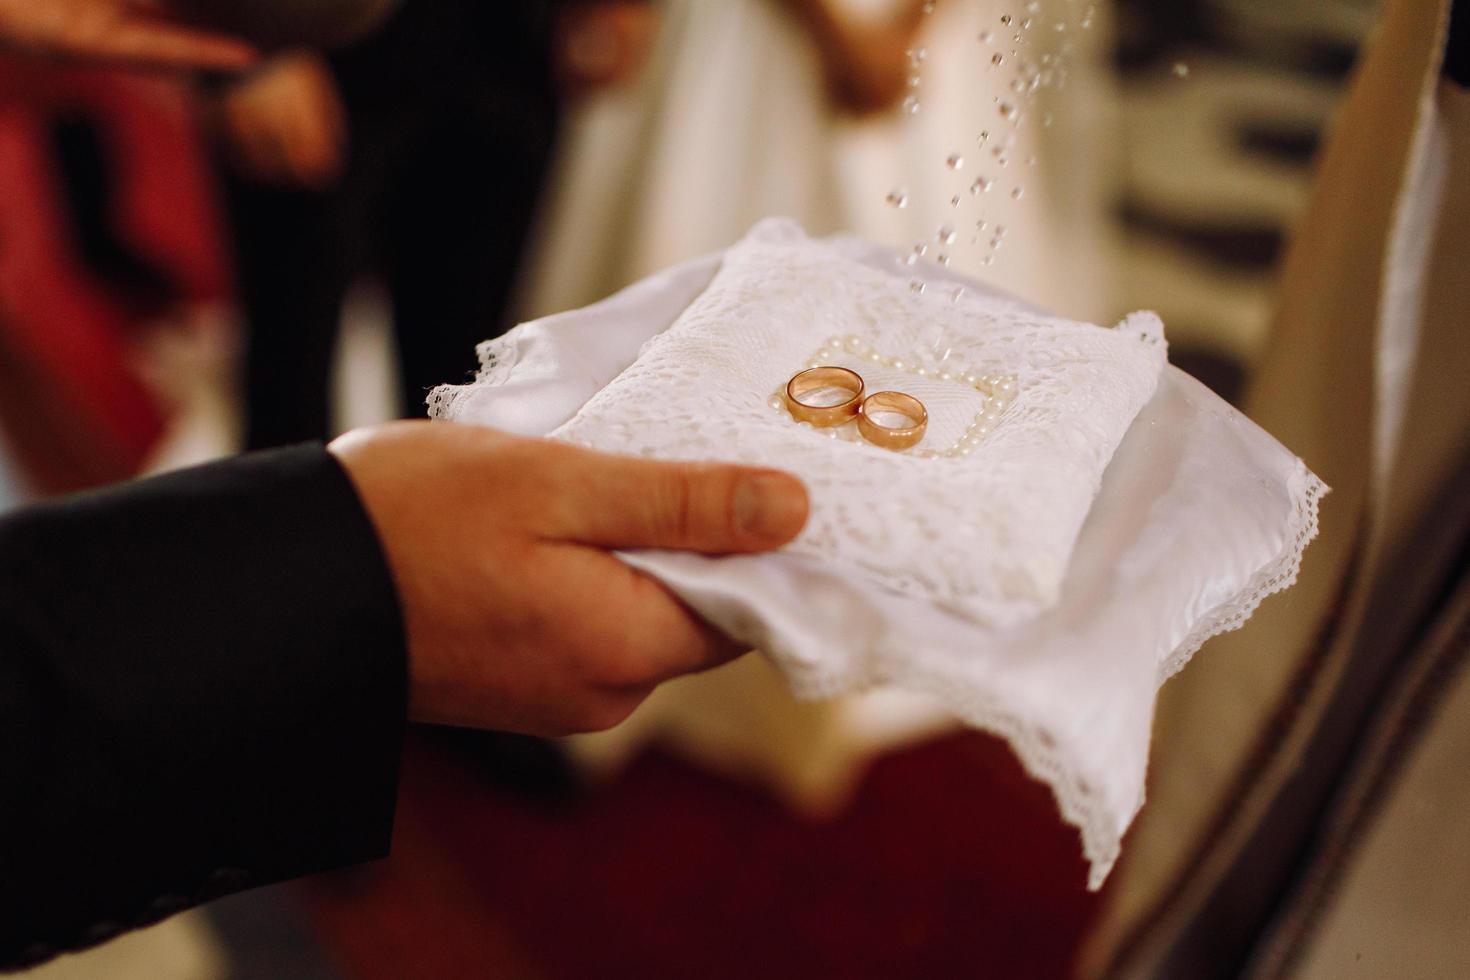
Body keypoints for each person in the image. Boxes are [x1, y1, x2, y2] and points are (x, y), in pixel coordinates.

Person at [0, 3, 810, 970]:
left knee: (469, 373)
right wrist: (243, 63)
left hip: (518, 44)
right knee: (292, 391)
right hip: (316, 42)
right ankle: (279, 735)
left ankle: (447, 682)